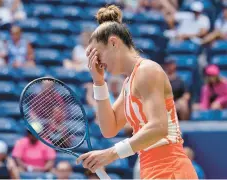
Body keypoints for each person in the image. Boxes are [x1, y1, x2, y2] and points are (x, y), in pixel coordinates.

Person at [76, 5, 198, 179]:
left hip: (171, 168)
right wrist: (99, 82)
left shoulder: (147, 71)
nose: (97, 62)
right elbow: (108, 129)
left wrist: (111, 153)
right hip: (151, 169)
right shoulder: (129, 83)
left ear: (113, 42)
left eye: (98, 55)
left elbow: (159, 127)